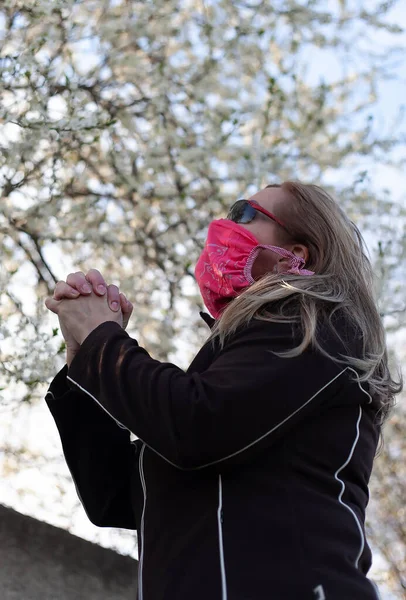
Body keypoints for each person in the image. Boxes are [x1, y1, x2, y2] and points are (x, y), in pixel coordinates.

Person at [44, 182, 401, 600]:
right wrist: (82, 360)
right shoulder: (236, 363)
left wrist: (102, 342)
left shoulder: (316, 326)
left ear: (297, 255)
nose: (227, 224)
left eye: (245, 213)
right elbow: (115, 496)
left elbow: (197, 424)